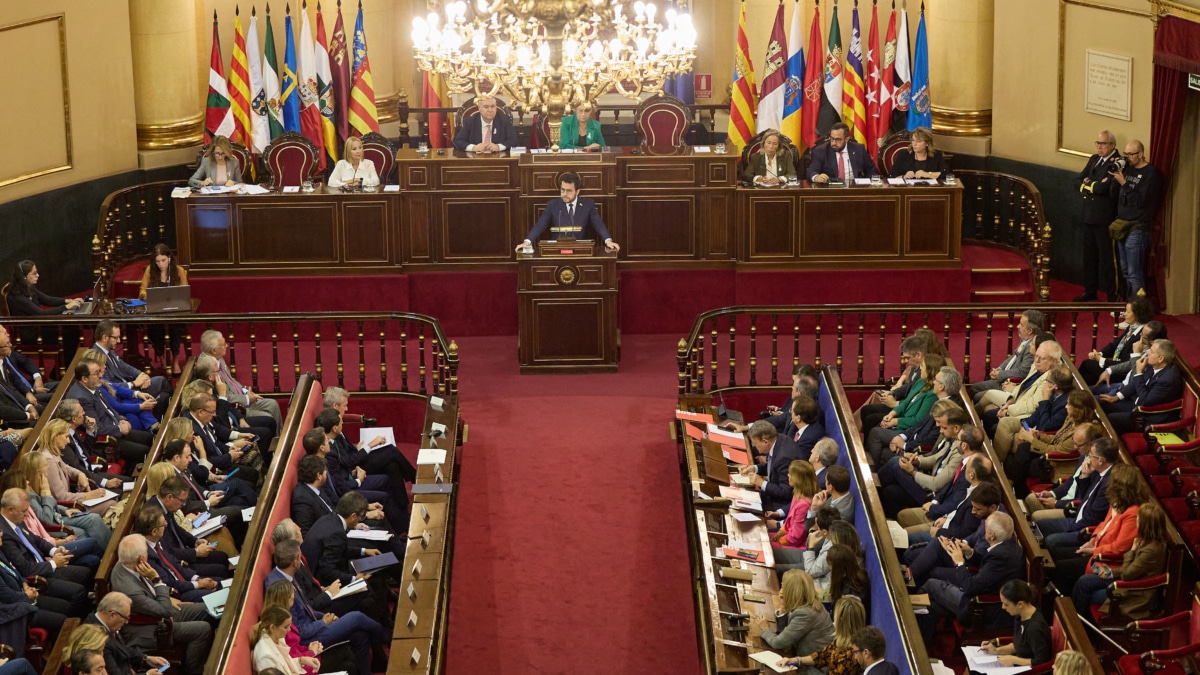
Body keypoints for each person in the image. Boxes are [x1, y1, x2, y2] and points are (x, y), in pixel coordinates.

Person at [108, 534, 213, 675]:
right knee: (203, 629)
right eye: (146, 551)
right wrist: (157, 580)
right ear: (141, 559)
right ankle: (193, 671)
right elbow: (165, 611)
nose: (149, 553)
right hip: (151, 628)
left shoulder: (125, 562)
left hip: (159, 607)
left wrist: (168, 598)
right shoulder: (131, 590)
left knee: (208, 608)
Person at [918, 512, 1023, 639]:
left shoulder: (1000, 556)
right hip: (984, 593)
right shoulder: (1008, 546)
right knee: (933, 607)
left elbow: (971, 586)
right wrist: (969, 552)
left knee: (932, 585)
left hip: (984, 608)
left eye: (985, 529)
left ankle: (910, 618)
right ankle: (921, 638)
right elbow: (988, 567)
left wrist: (959, 562)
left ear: (991, 535)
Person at [1051, 463, 1146, 586]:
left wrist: (1094, 551)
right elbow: (1103, 524)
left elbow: (1119, 548)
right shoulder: (1117, 503)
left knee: (1061, 567)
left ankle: (1062, 601)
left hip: (1104, 561)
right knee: (1054, 555)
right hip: (1095, 549)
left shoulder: (1133, 514)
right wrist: (1092, 540)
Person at [1072, 501, 1167, 619]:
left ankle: (1081, 627)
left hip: (1134, 592)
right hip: (1127, 580)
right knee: (1084, 581)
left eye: (1138, 518)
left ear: (1145, 524)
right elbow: (1130, 570)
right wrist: (1111, 572)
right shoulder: (1146, 540)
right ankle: (1073, 620)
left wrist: (1132, 550)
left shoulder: (1152, 550)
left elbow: (1127, 575)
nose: (1136, 521)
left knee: (1088, 592)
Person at [1006, 389, 1095, 498]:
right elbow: (1057, 437)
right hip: (1051, 453)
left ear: (1078, 409)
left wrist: (1032, 440)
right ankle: (1010, 486)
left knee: (1027, 465)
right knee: (1024, 448)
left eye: (1069, 404)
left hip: (1058, 463)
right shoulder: (1072, 418)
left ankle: (1013, 492)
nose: (1066, 407)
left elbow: (1057, 449)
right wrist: (1039, 435)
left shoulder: (1082, 433)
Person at [1108, 139, 1163, 299]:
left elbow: (1140, 202)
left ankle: (1138, 311)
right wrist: (1115, 178)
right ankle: (1129, 308)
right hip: (1122, 225)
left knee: (1134, 272)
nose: (1128, 157)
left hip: (1138, 228)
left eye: (1131, 154)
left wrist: (1124, 183)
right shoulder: (1128, 169)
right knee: (1125, 271)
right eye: (1126, 154)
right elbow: (1114, 195)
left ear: (1141, 154)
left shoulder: (1151, 174)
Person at [518, 172, 619, 253]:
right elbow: (540, 224)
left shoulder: (588, 204)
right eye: (562, 190)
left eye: (569, 191)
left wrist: (608, 240)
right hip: (556, 250)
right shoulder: (552, 205)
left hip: (580, 250)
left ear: (577, 191)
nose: (564, 194)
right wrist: (527, 242)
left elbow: (598, 224)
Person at [1074, 130, 1121, 302]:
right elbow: (1077, 181)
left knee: (1107, 259)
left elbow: (1105, 188)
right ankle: (1090, 290)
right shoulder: (1094, 159)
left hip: (1104, 219)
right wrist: (1092, 185)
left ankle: (1111, 295)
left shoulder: (1116, 163)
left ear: (1112, 145)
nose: (1100, 147)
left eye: (1103, 144)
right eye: (1098, 143)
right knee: (1089, 257)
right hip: (1088, 216)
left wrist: (1088, 184)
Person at [1100, 338, 1184, 434]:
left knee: (1111, 419)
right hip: (1136, 404)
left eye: (1151, 351)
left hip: (1148, 417)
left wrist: (1139, 373)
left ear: (1160, 358)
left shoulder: (1167, 380)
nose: (1147, 352)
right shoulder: (1153, 364)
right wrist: (1116, 397)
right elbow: (1136, 383)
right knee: (1103, 406)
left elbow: (1145, 401)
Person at [200, 329, 283, 427]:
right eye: (223, 345)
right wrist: (247, 399)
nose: (226, 346)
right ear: (214, 350)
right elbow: (224, 396)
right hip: (236, 407)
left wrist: (245, 390)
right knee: (267, 417)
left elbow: (231, 380)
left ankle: (279, 438)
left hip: (242, 397)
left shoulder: (219, 358)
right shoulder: (209, 368)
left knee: (272, 404)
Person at [83, 592, 172, 675]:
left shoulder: (103, 623)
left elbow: (121, 649)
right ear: (113, 615)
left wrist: (145, 658)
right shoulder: (97, 640)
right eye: (126, 617)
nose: (126, 622)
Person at [5, 261, 84, 350]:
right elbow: (41, 314)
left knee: (72, 328)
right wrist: (66, 307)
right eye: (34, 273)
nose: (38, 275)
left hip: (38, 325)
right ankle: (66, 363)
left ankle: (67, 362)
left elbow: (48, 300)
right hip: (31, 334)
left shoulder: (28, 287)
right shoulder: (18, 297)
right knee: (70, 335)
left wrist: (68, 301)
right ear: (24, 277)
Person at [968, 310, 1044, 401]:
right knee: (973, 388)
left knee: (977, 395)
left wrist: (1000, 374)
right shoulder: (1025, 339)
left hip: (1010, 383)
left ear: (1030, 331)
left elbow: (1022, 372)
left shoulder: (1032, 347)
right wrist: (1000, 368)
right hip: (1004, 377)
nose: (1017, 326)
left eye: (1021, 324)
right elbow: (1013, 356)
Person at [138, 243, 189, 374]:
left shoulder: (179, 271)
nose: (161, 264)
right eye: (157, 261)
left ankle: (176, 360)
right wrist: (148, 295)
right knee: (154, 329)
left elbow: (185, 292)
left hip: (175, 310)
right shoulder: (150, 270)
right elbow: (142, 291)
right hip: (157, 310)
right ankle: (162, 359)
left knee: (175, 328)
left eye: (163, 260)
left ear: (169, 258)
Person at [780, 596, 866, 675]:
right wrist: (796, 660)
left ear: (840, 621)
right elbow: (822, 656)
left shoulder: (849, 656)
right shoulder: (841, 640)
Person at [976, 580, 1051, 668]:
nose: (1003, 607)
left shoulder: (1034, 628)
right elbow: (1018, 645)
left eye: (1006, 604)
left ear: (1020, 604)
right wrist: (996, 650)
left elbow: (1041, 661)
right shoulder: (1020, 616)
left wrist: (1014, 660)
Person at [759, 569, 834, 657]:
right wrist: (783, 607)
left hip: (813, 667)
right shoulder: (808, 603)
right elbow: (783, 633)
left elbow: (778, 643)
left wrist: (765, 629)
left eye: (784, 587)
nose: (782, 590)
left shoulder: (805, 614)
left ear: (792, 591)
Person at [1078, 298, 1153, 385]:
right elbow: (1114, 345)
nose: (1124, 314)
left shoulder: (1142, 336)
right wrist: (1100, 354)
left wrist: (1101, 360)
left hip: (1122, 373)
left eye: (1128, 312)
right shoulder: (1131, 327)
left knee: (1086, 364)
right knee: (1087, 378)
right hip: (1114, 365)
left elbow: (1126, 363)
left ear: (1138, 315)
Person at [737, 421, 805, 514]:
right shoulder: (779, 439)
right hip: (772, 493)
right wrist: (755, 468)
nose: (754, 446)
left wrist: (761, 483)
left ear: (765, 442)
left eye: (755, 444)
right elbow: (773, 466)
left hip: (779, 503)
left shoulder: (784, 458)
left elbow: (786, 493)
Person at [772, 460, 818, 570]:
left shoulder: (804, 505)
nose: (788, 475)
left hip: (795, 545)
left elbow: (795, 538)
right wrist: (778, 534)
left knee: (766, 548)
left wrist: (778, 540)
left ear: (798, 479)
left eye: (791, 474)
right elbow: (788, 523)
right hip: (786, 537)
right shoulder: (797, 492)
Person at [252, 604, 320, 674]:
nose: (289, 630)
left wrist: (301, 660)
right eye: (286, 627)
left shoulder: (277, 637)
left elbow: (285, 665)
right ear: (272, 627)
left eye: (290, 625)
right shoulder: (266, 657)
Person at [807, 122, 878, 184]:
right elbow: (811, 170)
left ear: (847, 139)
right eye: (832, 138)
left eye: (838, 139)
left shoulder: (859, 149)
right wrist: (816, 177)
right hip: (831, 192)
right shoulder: (821, 151)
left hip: (855, 190)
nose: (834, 143)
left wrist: (869, 184)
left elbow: (871, 169)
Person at [452, 96, 517, 152]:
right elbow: (458, 142)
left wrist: (498, 147)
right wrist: (473, 148)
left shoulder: (504, 120)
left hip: (498, 160)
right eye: (486, 107)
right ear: (479, 108)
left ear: (496, 108)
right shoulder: (471, 121)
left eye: (492, 106)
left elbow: (513, 141)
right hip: (475, 160)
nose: (490, 110)